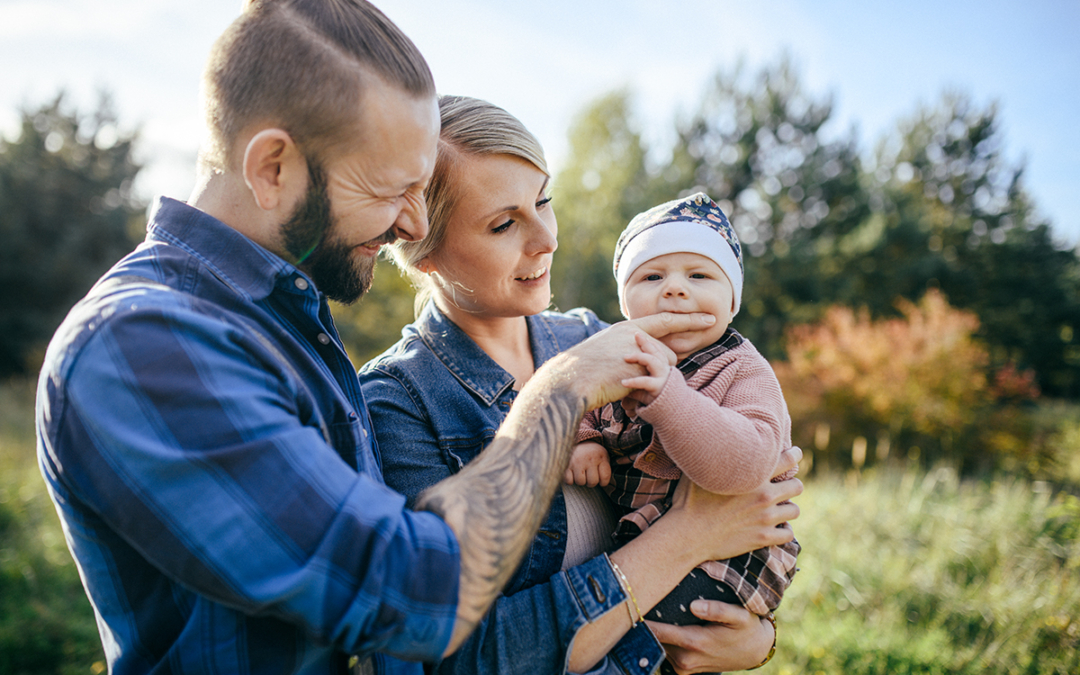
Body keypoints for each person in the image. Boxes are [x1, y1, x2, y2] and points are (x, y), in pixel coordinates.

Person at [33, 3, 731, 674]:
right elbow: (412, 595)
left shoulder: (284, 319)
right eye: (389, 188)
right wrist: (562, 388)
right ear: (273, 168)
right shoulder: (143, 343)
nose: (407, 224)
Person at [360, 96, 802, 675]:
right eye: (503, 223)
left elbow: (758, 493)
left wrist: (757, 637)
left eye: (544, 200)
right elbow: (454, 657)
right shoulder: (398, 401)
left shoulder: (599, 335)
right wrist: (688, 536)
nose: (546, 238)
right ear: (424, 253)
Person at [570, 193, 799, 633]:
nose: (675, 288)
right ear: (625, 304)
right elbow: (578, 398)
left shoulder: (741, 369)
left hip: (727, 558)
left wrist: (671, 399)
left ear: (732, 302)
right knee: (594, 608)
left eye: (699, 275)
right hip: (642, 544)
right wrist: (586, 440)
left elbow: (747, 467)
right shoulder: (620, 352)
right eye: (652, 276)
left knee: (626, 629)